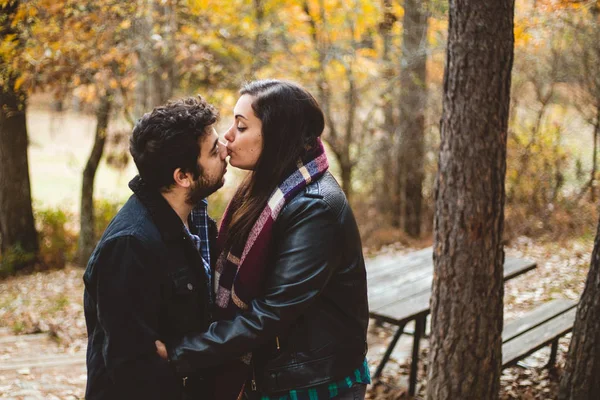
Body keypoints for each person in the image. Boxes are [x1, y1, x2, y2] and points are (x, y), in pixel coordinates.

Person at [160, 80, 370, 400]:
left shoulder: (314, 208)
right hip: (275, 374)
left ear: (277, 134)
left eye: (241, 127)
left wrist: (181, 352)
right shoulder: (266, 187)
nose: (228, 136)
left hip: (313, 384)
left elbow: (273, 313)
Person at [83, 96, 227, 400]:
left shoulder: (195, 220)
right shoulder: (130, 246)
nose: (225, 150)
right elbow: (131, 368)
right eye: (214, 151)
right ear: (183, 177)